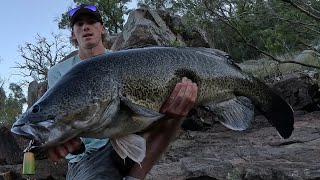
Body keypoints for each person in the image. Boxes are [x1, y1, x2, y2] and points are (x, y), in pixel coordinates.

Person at [47, 4, 198, 180]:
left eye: (91, 22)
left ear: (102, 29)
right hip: (88, 155)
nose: (85, 27)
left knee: (175, 107)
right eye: (79, 24)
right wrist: (73, 144)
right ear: (73, 34)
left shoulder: (125, 60)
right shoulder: (59, 71)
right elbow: (62, 118)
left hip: (132, 135)